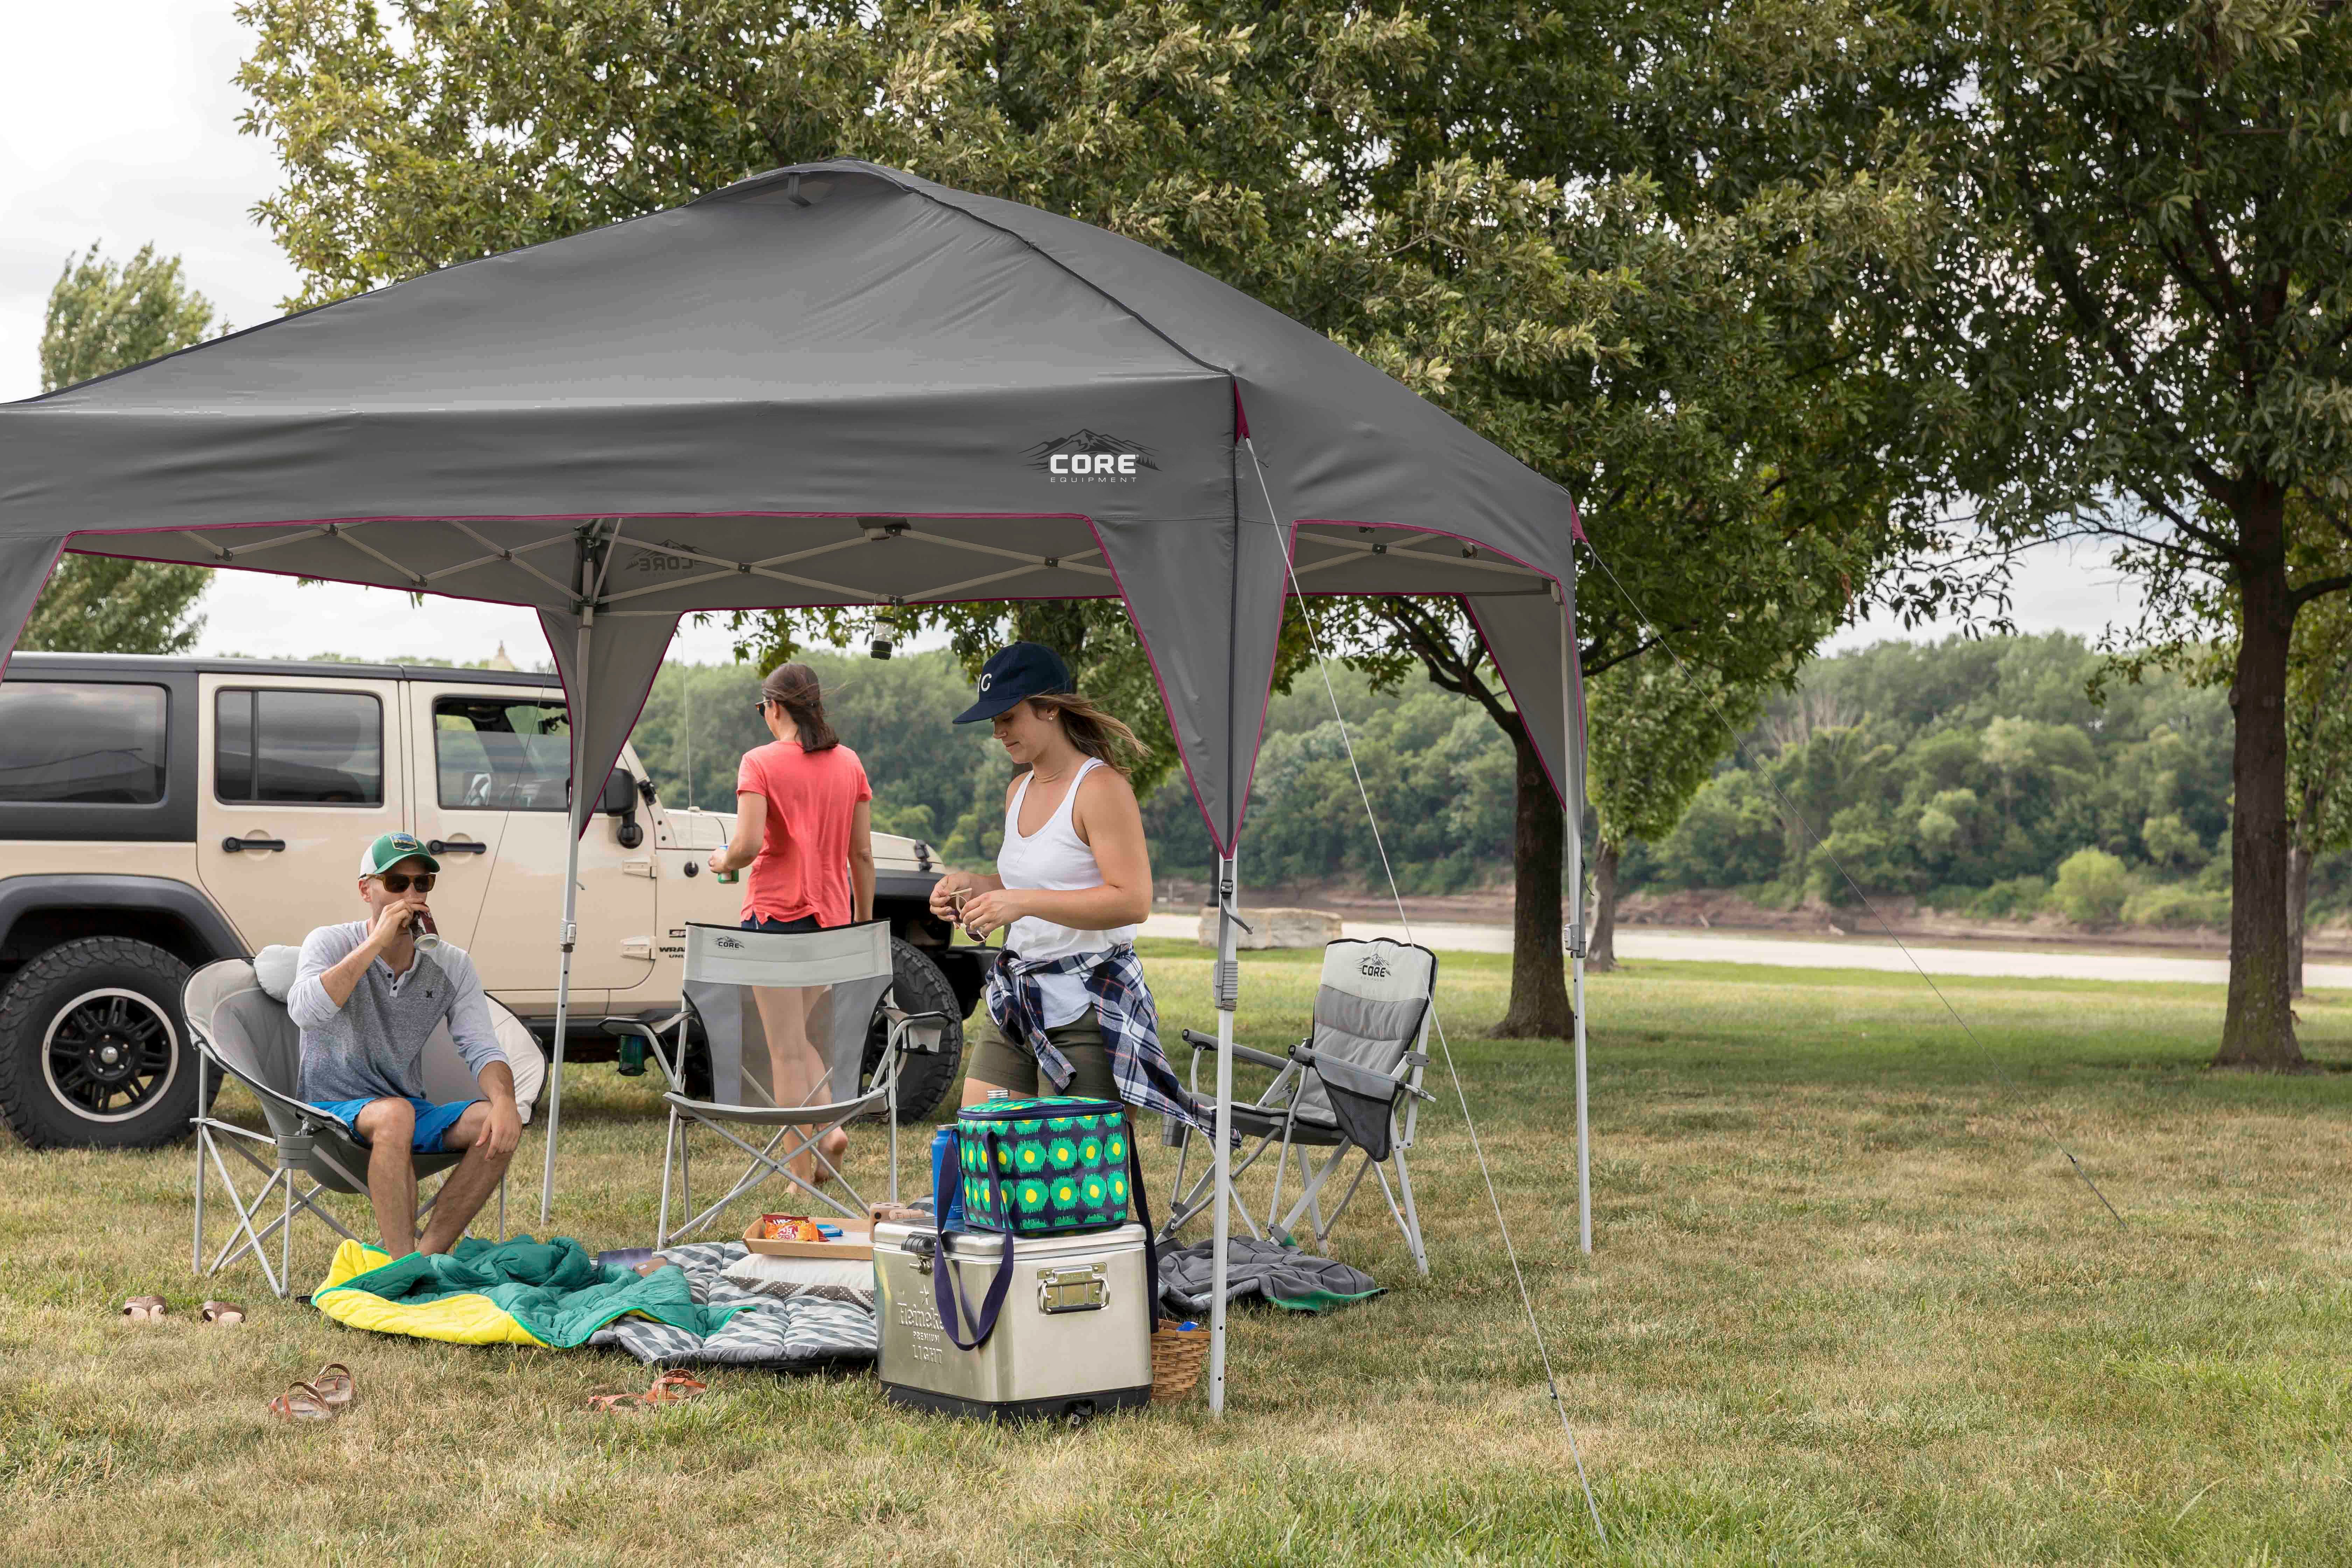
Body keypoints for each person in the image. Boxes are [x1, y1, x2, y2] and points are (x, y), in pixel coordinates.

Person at [929, 643, 1204, 1130]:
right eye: (993, 721)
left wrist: (1021, 903)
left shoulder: (1100, 789)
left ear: (1051, 707)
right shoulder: (1018, 790)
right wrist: (973, 888)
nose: (997, 733)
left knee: (1078, 1180)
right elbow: (1028, 881)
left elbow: (1133, 900)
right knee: (984, 1139)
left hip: (1088, 1009)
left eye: (1008, 717)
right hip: (1017, 1000)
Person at [289, 832, 523, 1256]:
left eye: (423, 883)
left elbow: (482, 1047)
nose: (412, 894)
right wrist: (376, 943)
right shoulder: (329, 942)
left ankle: (427, 1259)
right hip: (328, 1111)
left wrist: (506, 1100)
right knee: (396, 1114)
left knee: (494, 1119)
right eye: (397, 883)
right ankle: (401, 1263)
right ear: (366, 889)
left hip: (405, 1109)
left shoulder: (452, 963)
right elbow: (305, 1012)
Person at [708, 663, 874, 1180]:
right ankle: (829, 1131)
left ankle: (801, 1180)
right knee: (798, 1035)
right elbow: (862, 855)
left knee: (783, 1049)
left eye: (763, 709)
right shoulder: (849, 764)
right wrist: (862, 925)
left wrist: (722, 860)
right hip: (832, 923)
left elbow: (750, 844)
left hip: (774, 919)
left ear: (774, 707)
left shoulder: (758, 763)